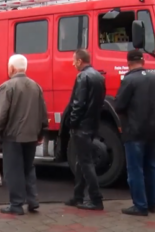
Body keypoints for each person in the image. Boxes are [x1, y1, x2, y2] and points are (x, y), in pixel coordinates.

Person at [0, 54, 48, 215]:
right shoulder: (36, 86)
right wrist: (42, 132)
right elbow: (43, 113)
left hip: (13, 136)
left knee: (13, 170)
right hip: (31, 135)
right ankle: (32, 200)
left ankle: (16, 204)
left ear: (12, 68)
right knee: (28, 168)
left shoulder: (7, 87)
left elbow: (0, 115)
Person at [113, 50, 155, 216]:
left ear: (128, 62)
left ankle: (140, 205)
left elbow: (119, 105)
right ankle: (152, 203)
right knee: (151, 166)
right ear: (143, 61)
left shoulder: (129, 80)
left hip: (135, 131)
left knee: (135, 169)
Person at [62, 49, 105, 211]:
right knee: (82, 161)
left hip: (81, 126)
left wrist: (72, 123)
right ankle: (78, 196)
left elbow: (78, 104)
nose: (73, 63)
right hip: (92, 125)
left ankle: (96, 199)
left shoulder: (82, 77)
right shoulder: (98, 76)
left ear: (80, 61)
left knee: (86, 163)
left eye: (74, 60)